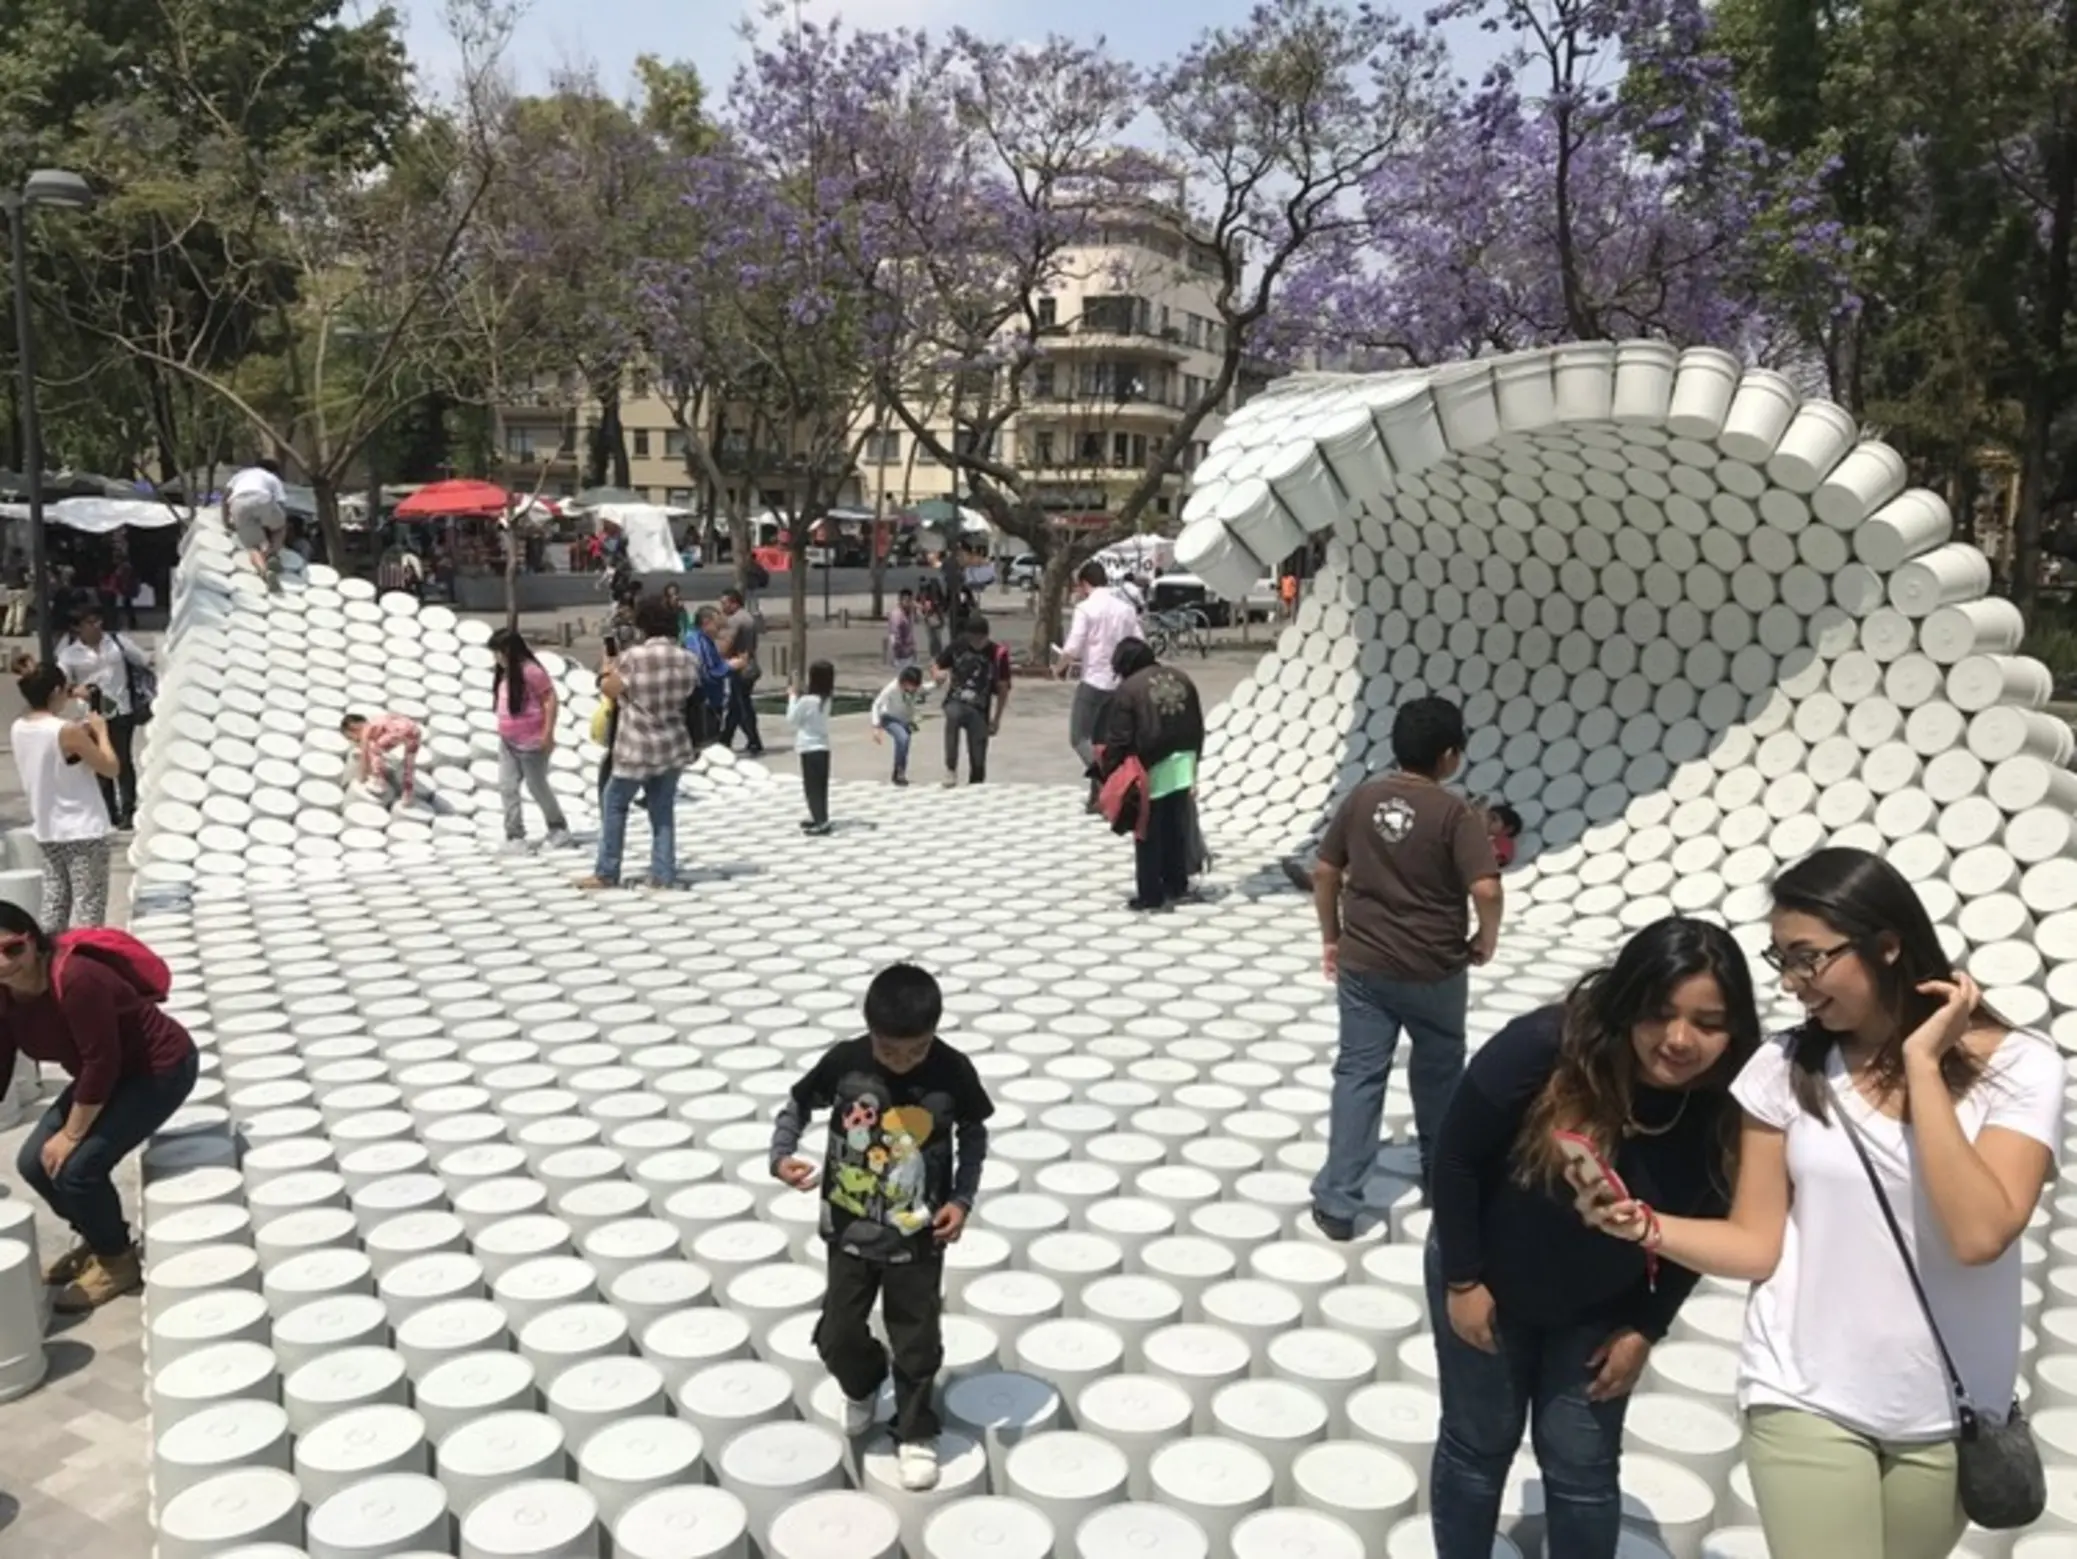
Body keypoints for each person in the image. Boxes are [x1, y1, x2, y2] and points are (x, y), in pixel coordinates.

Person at [1576, 847, 2062, 1559]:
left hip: (1949, 1405)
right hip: (1803, 1386)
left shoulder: (2021, 1065)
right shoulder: (1782, 1067)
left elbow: (1978, 1231)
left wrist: (1922, 1065)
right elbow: (1755, 1241)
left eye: (1808, 958)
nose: (1793, 983)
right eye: (1781, 959)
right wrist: (1643, 1225)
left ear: (1886, 944)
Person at [1428, 917, 1761, 1559]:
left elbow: (1706, 1233)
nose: (1679, 1039)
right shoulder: (1545, 1047)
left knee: (1582, 1465)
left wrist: (1646, 1326)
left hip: (1602, 1311)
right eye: (1658, 1012)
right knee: (1478, 1445)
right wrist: (1463, 1280)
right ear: (1626, 1000)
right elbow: (1456, 1159)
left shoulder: (1733, 1104)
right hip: (1488, 1279)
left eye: (1708, 1023)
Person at [769, 963, 995, 1492]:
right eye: (889, 1050)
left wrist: (961, 1201)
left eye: (914, 1051)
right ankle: (865, 1381)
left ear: (934, 1033)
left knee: (916, 1339)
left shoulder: (951, 1070)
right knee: (837, 1333)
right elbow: (798, 1103)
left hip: (918, 1239)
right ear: (868, 1029)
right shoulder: (846, 1063)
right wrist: (780, 1156)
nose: (901, 1061)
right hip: (848, 1230)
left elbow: (974, 1135)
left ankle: (915, 1429)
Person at [1311, 695, 1504, 1231]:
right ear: (1448, 756)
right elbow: (1486, 888)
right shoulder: (1455, 813)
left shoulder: (1361, 799)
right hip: (1434, 968)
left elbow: (1325, 871)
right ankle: (1442, 1177)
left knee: (1358, 1072)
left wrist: (1332, 936)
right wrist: (1485, 939)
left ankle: (1339, 1200)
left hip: (1364, 964)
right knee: (1440, 1068)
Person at [0, 906, 198, 1309]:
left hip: (156, 1070)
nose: (4, 963)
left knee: (77, 1171)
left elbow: (101, 1063)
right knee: (33, 1163)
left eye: (11, 948)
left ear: (33, 942)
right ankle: (98, 1238)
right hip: (104, 1077)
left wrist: (72, 1134)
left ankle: (117, 1261)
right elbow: (2, 1055)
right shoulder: (4, 993)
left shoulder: (75, 979)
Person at [581, 591, 700, 891]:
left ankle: (607, 871)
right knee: (662, 810)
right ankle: (663, 874)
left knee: (614, 804)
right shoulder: (688, 659)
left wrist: (608, 665)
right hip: (673, 743)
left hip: (636, 745)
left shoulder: (633, 658)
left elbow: (610, 689)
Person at [1096, 637, 1205, 912]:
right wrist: (1195, 761)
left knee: (1146, 830)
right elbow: (1198, 722)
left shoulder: (1129, 690)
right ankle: (1176, 883)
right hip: (1184, 761)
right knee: (1174, 824)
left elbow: (1120, 737)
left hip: (1151, 764)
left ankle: (1150, 894)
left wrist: (1108, 769)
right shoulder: (1182, 677)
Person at [10, 662, 118, 929]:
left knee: (55, 903)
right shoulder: (66, 731)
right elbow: (110, 767)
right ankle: (84, 963)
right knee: (89, 907)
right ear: (57, 690)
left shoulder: (19, 727)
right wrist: (101, 733)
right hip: (83, 829)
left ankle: (47, 961)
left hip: (48, 828)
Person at [54, 606, 151, 830]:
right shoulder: (70, 653)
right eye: (89, 622)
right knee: (100, 763)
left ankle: (128, 809)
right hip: (92, 714)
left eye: (98, 620)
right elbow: (59, 684)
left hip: (120, 707)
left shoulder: (116, 642)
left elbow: (143, 660)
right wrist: (76, 691)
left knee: (123, 761)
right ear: (77, 628)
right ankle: (108, 811)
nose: (96, 626)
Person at [1056, 559, 1142, 811]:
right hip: (1118, 683)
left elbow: (1073, 646)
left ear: (1085, 584)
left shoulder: (1086, 609)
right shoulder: (1125, 609)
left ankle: (1108, 778)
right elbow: (1139, 640)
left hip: (1093, 681)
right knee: (1103, 739)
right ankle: (1097, 800)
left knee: (1079, 737)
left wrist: (1059, 667)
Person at [490, 628, 571, 854]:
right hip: (508, 741)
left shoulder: (531, 671)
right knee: (507, 787)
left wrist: (547, 733)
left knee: (537, 786)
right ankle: (515, 835)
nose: (496, 658)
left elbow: (550, 699)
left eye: (498, 653)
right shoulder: (505, 673)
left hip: (532, 742)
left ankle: (558, 827)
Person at [931, 612, 1011, 787]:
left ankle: (976, 783)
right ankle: (950, 769)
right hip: (956, 700)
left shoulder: (997, 654)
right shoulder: (958, 646)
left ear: (986, 637)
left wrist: (996, 719)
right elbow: (937, 664)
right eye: (972, 638)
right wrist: (937, 674)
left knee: (978, 760)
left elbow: (1003, 688)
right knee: (952, 717)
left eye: (979, 639)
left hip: (980, 709)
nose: (975, 643)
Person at [789, 660, 836, 836]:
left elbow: (791, 719)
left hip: (808, 746)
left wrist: (793, 697)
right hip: (823, 746)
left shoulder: (807, 701)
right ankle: (819, 816)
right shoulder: (826, 699)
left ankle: (821, 821)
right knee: (820, 786)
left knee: (811, 787)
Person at [718, 587, 765, 757]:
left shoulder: (735, 620)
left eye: (724, 603)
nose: (722, 607)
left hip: (741, 667)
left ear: (733, 602)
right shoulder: (748, 617)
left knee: (741, 705)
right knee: (736, 705)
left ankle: (753, 740)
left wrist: (716, 655)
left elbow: (726, 645)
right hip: (750, 664)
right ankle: (726, 738)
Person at [340, 711, 422, 808]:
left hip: (399, 731)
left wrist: (362, 777)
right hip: (415, 731)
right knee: (409, 765)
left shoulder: (366, 729)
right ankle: (408, 796)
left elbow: (365, 754)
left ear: (354, 728)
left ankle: (379, 782)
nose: (354, 741)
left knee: (374, 749)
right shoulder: (377, 722)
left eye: (351, 737)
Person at [225, 457, 290, 578]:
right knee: (280, 527)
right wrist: (276, 523)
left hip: (238, 502)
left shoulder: (240, 475)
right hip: (263, 498)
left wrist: (226, 520)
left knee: (253, 545)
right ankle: (273, 555)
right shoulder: (272, 478)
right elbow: (281, 503)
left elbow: (225, 496)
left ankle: (265, 572)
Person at [872, 666, 925, 786]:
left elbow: (926, 688)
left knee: (904, 745)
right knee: (902, 738)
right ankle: (899, 772)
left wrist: (938, 682)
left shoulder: (914, 688)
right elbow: (876, 704)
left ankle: (899, 772)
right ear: (905, 682)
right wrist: (876, 726)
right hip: (889, 718)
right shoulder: (892, 688)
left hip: (905, 720)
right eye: (912, 686)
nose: (913, 689)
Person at [887, 588, 918, 672]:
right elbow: (893, 635)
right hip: (900, 656)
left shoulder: (910, 613)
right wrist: (896, 652)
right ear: (900, 600)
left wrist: (913, 649)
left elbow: (911, 633)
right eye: (906, 600)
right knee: (903, 680)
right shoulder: (896, 615)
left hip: (909, 652)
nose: (909, 603)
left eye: (910, 600)